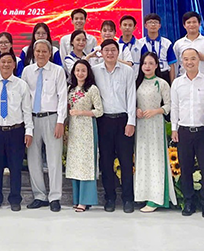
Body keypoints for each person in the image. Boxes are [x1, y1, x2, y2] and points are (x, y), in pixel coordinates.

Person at [171, 48, 204, 218]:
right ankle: (189, 202)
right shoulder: (177, 83)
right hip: (184, 131)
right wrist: (174, 129)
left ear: (198, 60)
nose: (189, 62)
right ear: (182, 62)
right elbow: (175, 107)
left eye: (193, 58)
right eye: (186, 59)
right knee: (185, 168)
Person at [21, 40, 68, 212]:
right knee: (33, 159)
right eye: (38, 51)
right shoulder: (27, 71)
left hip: (51, 118)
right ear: (33, 53)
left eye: (44, 51)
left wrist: (60, 121)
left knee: (54, 159)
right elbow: (24, 97)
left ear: (50, 53)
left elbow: (62, 97)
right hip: (32, 119)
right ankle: (39, 196)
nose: (40, 54)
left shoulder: (57, 71)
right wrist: (26, 124)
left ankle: (55, 197)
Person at [91, 40, 137, 213]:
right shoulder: (95, 71)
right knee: (106, 161)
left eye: (113, 50)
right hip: (103, 121)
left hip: (123, 120)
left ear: (118, 52)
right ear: (101, 53)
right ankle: (109, 198)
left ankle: (128, 199)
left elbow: (131, 97)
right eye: (106, 50)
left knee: (126, 161)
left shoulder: (127, 71)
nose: (110, 53)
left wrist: (131, 121)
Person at [0, 53, 32, 211]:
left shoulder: (21, 85)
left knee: (15, 166)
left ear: (14, 65)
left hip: (16, 131)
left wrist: (29, 131)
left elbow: (27, 110)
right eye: (3, 62)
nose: (6, 65)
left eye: (9, 62)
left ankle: (15, 199)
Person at [133, 52, 176, 212]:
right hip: (141, 125)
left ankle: (156, 198)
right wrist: (136, 110)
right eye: (145, 63)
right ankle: (143, 195)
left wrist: (156, 111)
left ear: (157, 65)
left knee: (156, 159)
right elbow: (131, 101)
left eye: (151, 63)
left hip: (155, 125)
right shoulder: (137, 82)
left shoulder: (162, 83)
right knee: (143, 159)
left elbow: (169, 104)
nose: (147, 66)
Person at [65, 60, 103, 212]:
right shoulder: (70, 89)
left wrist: (82, 112)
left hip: (87, 129)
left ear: (88, 73)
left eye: (83, 71)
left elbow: (99, 111)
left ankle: (85, 200)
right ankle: (77, 198)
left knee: (86, 163)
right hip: (74, 130)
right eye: (77, 70)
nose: (80, 73)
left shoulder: (92, 89)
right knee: (75, 163)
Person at [172, 11, 204, 79]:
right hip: (184, 80)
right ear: (184, 25)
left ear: (199, 24)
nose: (191, 25)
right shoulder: (178, 44)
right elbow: (175, 65)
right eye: (188, 22)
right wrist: (174, 81)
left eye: (194, 22)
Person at [138, 13, 176, 81]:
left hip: (163, 74)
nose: (153, 25)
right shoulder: (140, 43)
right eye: (150, 22)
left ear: (159, 26)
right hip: (146, 75)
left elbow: (171, 65)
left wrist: (172, 82)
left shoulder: (167, 43)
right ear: (145, 25)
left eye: (155, 22)